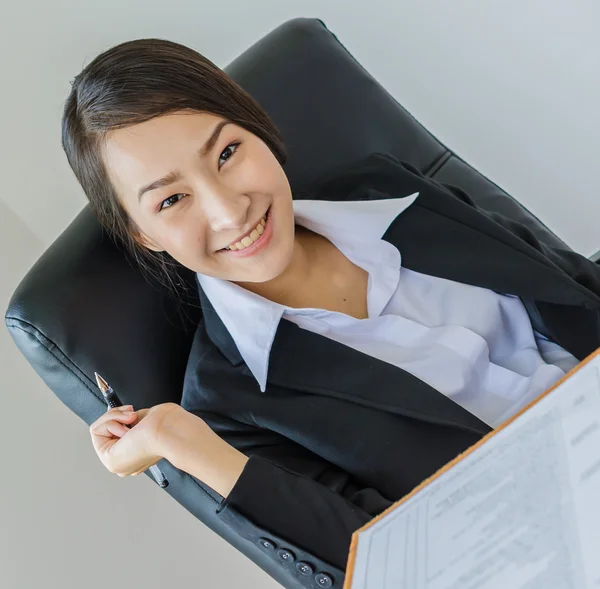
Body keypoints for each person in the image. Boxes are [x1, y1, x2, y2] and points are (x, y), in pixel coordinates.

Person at [63, 38, 600, 589]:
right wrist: (179, 443)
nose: (228, 211)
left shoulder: (388, 188)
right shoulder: (230, 404)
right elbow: (378, 564)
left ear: (255, 126)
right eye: (171, 201)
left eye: (227, 154)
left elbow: (574, 286)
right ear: (141, 234)